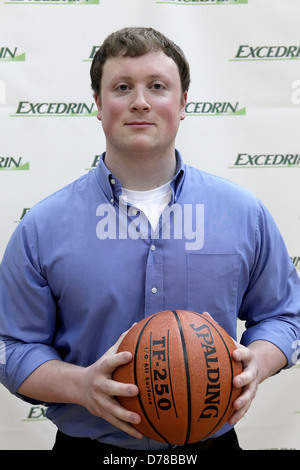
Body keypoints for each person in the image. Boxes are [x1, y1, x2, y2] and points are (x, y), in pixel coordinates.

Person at [0, 27, 299, 456]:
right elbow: (12, 347)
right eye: (122, 87)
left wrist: (260, 362)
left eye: (157, 87)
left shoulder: (242, 213)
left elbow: (287, 315)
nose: (140, 100)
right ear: (99, 106)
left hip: (209, 445)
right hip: (90, 448)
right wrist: (81, 386)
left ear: (182, 105)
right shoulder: (42, 227)